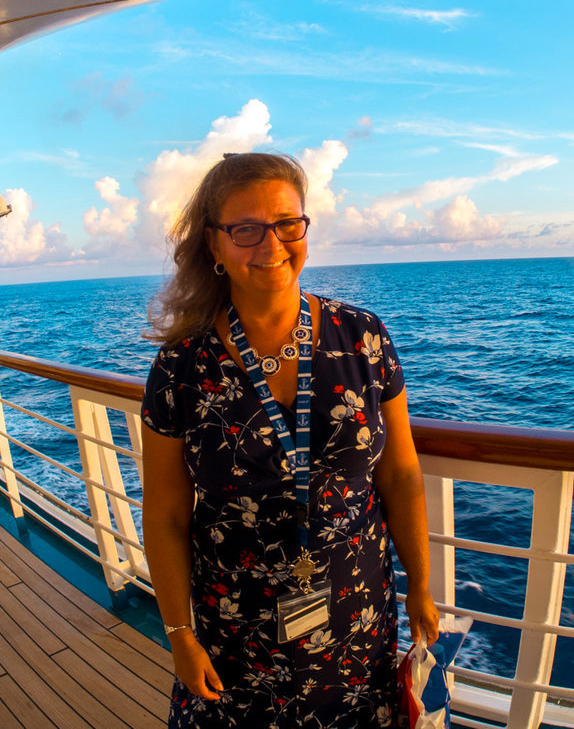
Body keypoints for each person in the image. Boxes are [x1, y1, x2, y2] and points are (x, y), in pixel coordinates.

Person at [141, 152, 438, 728]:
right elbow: (166, 514)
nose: (271, 244)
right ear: (215, 245)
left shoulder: (363, 338)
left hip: (359, 609)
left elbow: (399, 474)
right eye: (245, 229)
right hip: (236, 622)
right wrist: (179, 634)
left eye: (286, 224)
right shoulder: (181, 365)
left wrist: (421, 587)